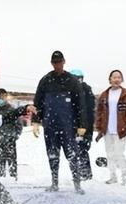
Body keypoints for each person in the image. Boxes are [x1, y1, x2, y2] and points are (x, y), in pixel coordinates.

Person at [34, 51, 86, 193]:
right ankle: (54, 182)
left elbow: (80, 103)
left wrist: (82, 124)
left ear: (64, 62)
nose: (57, 64)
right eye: (54, 62)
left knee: (72, 154)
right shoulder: (45, 80)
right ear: (52, 63)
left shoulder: (72, 81)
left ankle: (77, 184)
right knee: (52, 154)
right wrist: (35, 121)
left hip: (67, 125)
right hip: (50, 124)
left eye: (59, 62)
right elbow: (37, 102)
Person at [95, 70, 126, 185]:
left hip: (120, 129)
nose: (116, 79)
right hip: (107, 129)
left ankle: (125, 177)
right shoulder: (104, 94)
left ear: (121, 80)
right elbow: (99, 112)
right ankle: (112, 176)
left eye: (119, 77)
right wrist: (100, 126)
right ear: (110, 79)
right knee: (109, 153)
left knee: (119, 153)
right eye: (114, 77)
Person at [0, 88, 23, 179]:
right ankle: (1, 177)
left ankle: (13, 177)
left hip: (10, 140)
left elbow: (19, 125)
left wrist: (15, 136)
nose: (0, 97)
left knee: (12, 160)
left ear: (6, 96)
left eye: (2, 96)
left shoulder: (12, 109)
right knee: (0, 160)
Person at [69, 69, 96, 181]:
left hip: (84, 127)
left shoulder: (86, 90)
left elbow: (88, 111)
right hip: (73, 127)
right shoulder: (70, 90)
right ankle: (78, 173)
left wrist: (85, 127)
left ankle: (86, 174)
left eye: (78, 78)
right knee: (74, 151)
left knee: (82, 150)